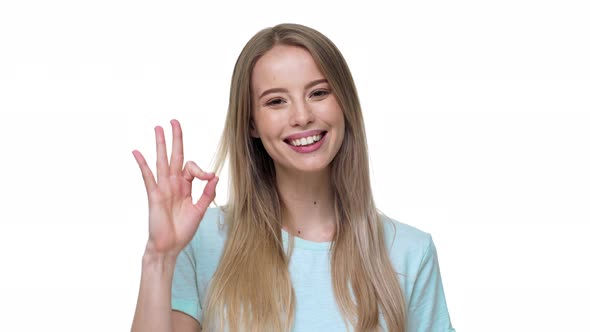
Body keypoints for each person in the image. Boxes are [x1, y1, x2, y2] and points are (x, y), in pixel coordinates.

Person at [130, 23, 455, 332]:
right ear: (252, 124)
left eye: (318, 93)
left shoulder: (410, 252)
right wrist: (159, 256)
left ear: (344, 104)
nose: (302, 116)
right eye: (276, 101)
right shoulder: (200, 242)